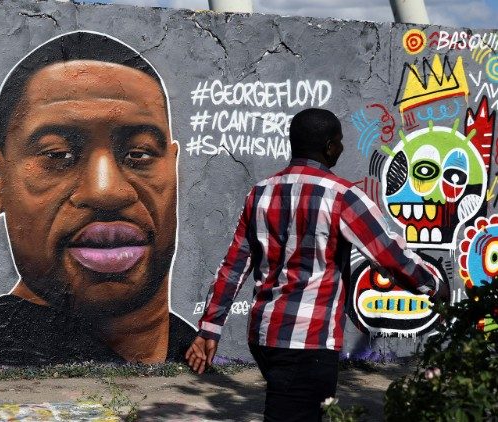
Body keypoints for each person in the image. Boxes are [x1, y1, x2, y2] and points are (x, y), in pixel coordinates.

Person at [0, 31, 196, 366]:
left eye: (139, 154)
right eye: (58, 155)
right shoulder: (3, 371)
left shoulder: (189, 350)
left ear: (174, 170)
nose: (106, 191)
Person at [186, 108, 446, 421]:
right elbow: (389, 255)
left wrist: (211, 328)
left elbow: (233, 266)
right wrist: (434, 285)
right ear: (329, 147)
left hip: (264, 337)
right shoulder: (343, 197)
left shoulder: (260, 193)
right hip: (309, 341)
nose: (343, 148)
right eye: (339, 141)